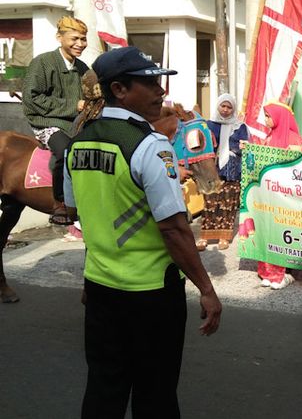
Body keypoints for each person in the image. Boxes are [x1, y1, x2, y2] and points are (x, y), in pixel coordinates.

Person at [63, 46, 222, 418]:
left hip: (101, 290)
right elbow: (174, 229)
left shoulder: (78, 142)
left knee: (104, 388)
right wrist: (208, 289)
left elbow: (86, 214)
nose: (160, 92)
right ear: (119, 89)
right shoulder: (150, 146)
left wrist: (89, 281)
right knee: (156, 393)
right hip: (150, 296)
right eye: (150, 84)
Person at [23, 16, 89, 225]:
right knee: (65, 151)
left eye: (84, 39)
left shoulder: (83, 67)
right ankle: (60, 203)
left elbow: (91, 95)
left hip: (76, 122)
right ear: (59, 37)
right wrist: (74, 105)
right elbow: (31, 98)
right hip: (46, 121)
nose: (80, 44)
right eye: (75, 38)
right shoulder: (42, 62)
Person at [257, 101, 302, 289]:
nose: (266, 120)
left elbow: (298, 168)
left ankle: (286, 273)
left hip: (288, 197)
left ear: (279, 117)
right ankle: (267, 272)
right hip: (270, 194)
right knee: (269, 231)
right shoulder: (269, 137)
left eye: (268, 116)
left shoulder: (294, 140)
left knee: (285, 233)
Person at [196, 94, 247, 252]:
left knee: (228, 204)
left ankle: (224, 237)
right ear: (218, 106)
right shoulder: (209, 125)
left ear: (233, 109)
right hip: (213, 170)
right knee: (209, 204)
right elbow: (203, 146)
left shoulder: (240, 126)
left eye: (229, 107)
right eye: (222, 106)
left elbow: (245, 146)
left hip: (232, 170)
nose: (225, 110)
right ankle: (205, 237)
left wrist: (238, 148)